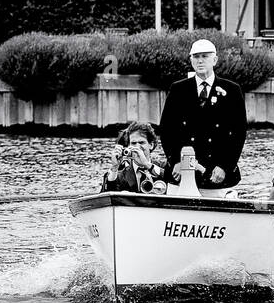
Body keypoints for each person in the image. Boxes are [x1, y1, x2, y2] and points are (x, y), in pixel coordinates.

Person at [158, 38, 247, 196]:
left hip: (217, 176)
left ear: (215, 60)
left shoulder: (232, 90)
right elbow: (166, 130)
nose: (200, 61)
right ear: (191, 60)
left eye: (205, 56)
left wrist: (225, 166)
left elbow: (239, 133)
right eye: (196, 57)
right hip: (181, 173)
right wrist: (175, 162)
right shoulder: (178, 89)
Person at [100, 121, 168, 193]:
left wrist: (147, 165)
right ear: (128, 147)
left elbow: (175, 180)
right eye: (133, 143)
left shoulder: (164, 166)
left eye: (141, 142)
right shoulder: (120, 173)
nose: (137, 147)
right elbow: (105, 196)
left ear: (151, 145)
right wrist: (114, 167)